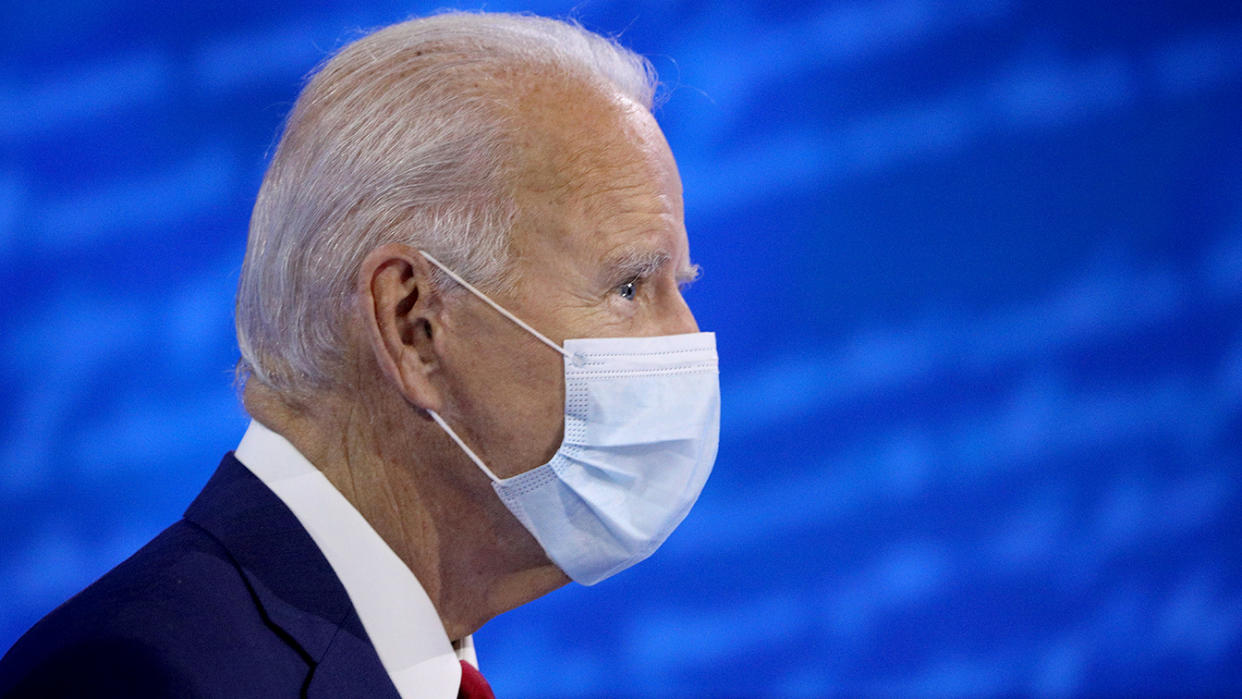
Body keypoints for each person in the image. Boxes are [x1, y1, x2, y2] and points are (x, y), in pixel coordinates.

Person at [0, 10, 720, 699]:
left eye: (678, 286)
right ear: (413, 324)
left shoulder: (414, 663)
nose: (685, 338)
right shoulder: (138, 678)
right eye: (630, 285)